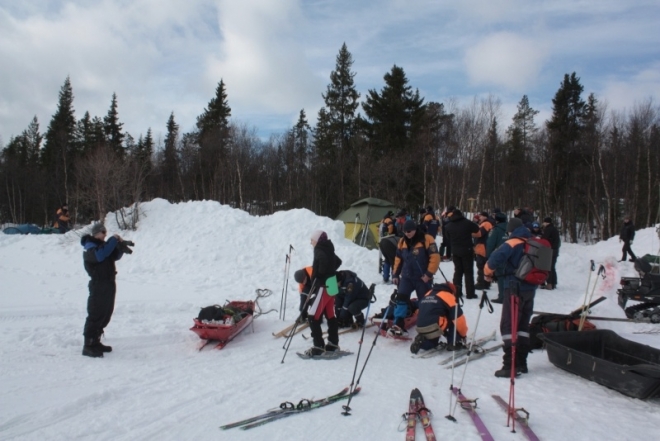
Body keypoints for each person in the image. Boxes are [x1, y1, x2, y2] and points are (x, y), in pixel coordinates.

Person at [484, 222, 537, 377]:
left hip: (514, 288)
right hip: (531, 289)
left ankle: (510, 365)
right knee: (523, 326)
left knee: (509, 325)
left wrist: (487, 273)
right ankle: (522, 362)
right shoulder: (533, 241)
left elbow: (493, 260)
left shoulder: (512, 242)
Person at [81, 223, 126, 358]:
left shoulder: (102, 246)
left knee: (106, 313)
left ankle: (96, 341)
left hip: (108, 283)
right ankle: (88, 345)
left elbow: (113, 256)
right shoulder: (90, 247)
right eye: (103, 233)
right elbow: (101, 255)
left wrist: (120, 248)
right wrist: (113, 240)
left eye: (106, 233)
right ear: (96, 233)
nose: (105, 235)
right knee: (96, 313)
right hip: (98, 284)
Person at [390, 220, 440, 336]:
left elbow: (435, 258)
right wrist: (395, 274)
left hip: (422, 278)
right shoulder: (402, 242)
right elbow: (398, 259)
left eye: (409, 231)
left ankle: (426, 324)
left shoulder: (427, 239)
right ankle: (399, 323)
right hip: (407, 276)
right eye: (405, 232)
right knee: (401, 298)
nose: (407, 234)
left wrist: (428, 274)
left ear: (415, 229)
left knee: (424, 301)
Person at [304, 230, 343, 356]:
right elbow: (337, 261)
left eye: (312, 240)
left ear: (317, 240)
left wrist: (320, 275)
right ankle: (333, 343)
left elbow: (323, 261)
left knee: (312, 316)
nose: (311, 243)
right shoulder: (328, 248)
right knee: (330, 315)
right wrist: (330, 272)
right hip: (332, 284)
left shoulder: (319, 249)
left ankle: (319, 346)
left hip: (323, 285)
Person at [410, 282, 468, 354]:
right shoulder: (448, 296)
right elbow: (459, 319)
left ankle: (423, 342)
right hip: (435, 326)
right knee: (453, 317)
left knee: (431, 343)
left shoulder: (429, 293)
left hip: (420, 326)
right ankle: (454, 342)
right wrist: (463, 335)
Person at [443, 206, 480, 299]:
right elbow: (476, 229)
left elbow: (447, 237)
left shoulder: (448, 226)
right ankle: (470, 293)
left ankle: (457, 291)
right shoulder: (467, 223)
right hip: (467, 250)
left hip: (455, 250)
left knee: (457, 271)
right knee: (468, 272)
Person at [487, 211, 509, 303]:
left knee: (500, 276)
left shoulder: (496, 230)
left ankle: (502, 297)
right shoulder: (511, 229)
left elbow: (490, 244)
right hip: (511, 255)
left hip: (499, 254)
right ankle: (510, 296)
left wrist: (488, 257)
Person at [474, 211, 494, 290]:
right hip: (483, 246)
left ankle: (481, 283)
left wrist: (471, 232)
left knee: (481, 265)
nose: (479, 217)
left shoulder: (486, 224)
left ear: (485, 217)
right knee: (484, 265)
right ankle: (486, 283)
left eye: (481, 216)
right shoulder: (486, 223)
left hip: (482, 247)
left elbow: (479, 234)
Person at [541, 217, 561, 290]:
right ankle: (554, 283)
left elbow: (544, 239)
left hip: (550, 250)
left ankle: (549, 284)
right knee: (552, 267)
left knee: (548, 267)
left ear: (546, 222)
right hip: (555, 250)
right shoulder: (554, 229)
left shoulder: (548, 229)